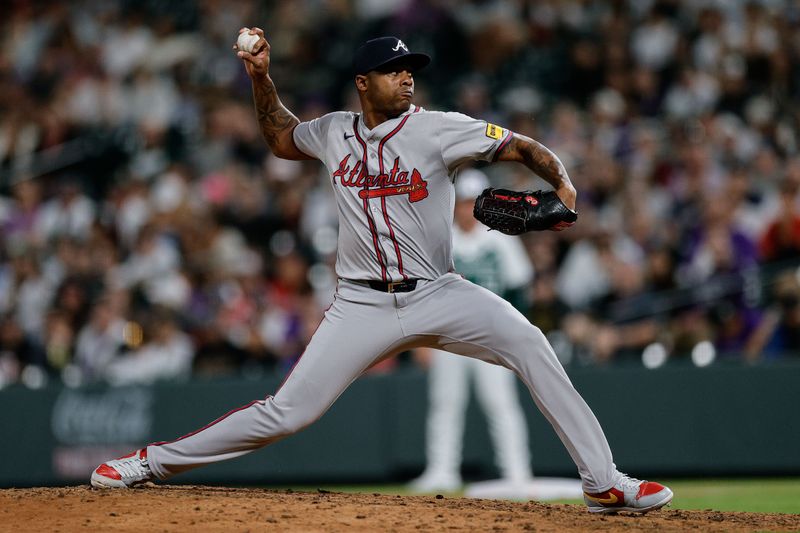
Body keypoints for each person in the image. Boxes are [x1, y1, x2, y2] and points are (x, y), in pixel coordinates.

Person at [91, 29, 673, 514]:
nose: (407, 76)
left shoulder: (437, 127)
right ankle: (150, 462)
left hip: (441, 291)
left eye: (409, 68)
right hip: (360, 305)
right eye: (394, 70)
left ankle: (603, 482)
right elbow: (279, 136)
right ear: (363, 82)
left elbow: (520, 146)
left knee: (530, 342)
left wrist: (564, 189)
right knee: (288, 412)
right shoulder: (333, 131)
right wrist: (261, 78)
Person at [409, 169, 534, 494]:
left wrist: (516, 335)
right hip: (449, 337)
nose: (467, 209)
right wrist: (423, 339)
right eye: (463, 202)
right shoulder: (441, 239)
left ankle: (516, 473)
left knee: (500, 404)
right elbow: (423, 293)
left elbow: (520, 290)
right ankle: (441, 471)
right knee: (444, 404)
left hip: (492, 335)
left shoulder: (500, 238)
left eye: (473, 202)